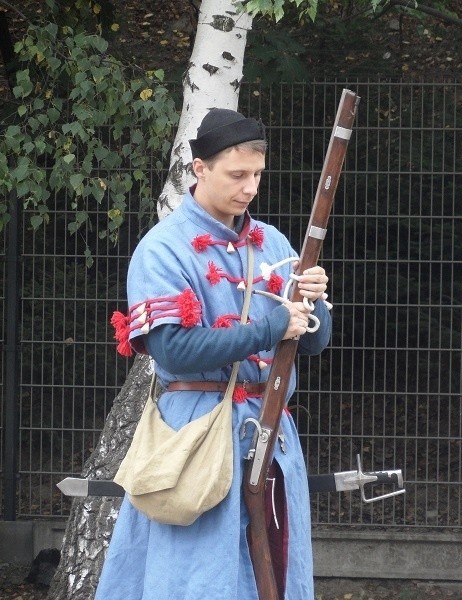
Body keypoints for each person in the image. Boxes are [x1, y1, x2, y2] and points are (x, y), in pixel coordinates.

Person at [98, 108, 331, 599]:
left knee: (275, 572)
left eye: (257, 176)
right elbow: (173, 350)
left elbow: (312, 341)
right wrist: (270, 325)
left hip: (273, 433)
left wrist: (314, 304)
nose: (249, 188)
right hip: (196, 435)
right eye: (237, 175)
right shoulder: (163, 248)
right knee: (193, 581)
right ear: (200, 168)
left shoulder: (274, 242)